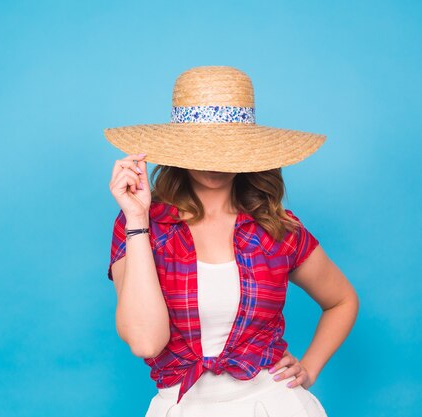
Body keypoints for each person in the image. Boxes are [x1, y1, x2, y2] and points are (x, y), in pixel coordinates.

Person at [104, 66, 359, 417]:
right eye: (205, 147)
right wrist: (137, 221)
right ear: (179, 147)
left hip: (275, 405)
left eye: (229, 147)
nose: (216, 161)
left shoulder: (278, 230)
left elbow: (342, 300)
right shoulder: (142, 226)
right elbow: (146, 341)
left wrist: (310, 367)